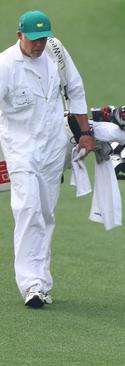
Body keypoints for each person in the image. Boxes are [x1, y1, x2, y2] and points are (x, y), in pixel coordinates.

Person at [0, 10, 94, 308]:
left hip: (53, 145)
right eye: (33, 39)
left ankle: (42, 282)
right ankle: (31, 284)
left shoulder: (55, 50)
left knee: (45, 212)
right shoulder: (5, 65)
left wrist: (85, 133)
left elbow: (75, 88)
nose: (39, 45)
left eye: (43, 38)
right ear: (20, 35)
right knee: (28, 208)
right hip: (20, 147)